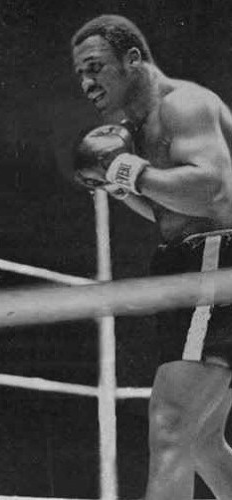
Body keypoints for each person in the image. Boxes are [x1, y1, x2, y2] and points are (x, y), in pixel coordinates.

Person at [71, 14, 232, 500]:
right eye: (80, 74)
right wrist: (119, 185)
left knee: (170, 423)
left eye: (96, 67)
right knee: (200, 440)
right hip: (195, 264)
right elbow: (170, 211)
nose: (87, 83)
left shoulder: (185, 104)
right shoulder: (133, 129)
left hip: (216, 258)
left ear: (133, 59)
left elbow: (211, 191)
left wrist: (129, 171)